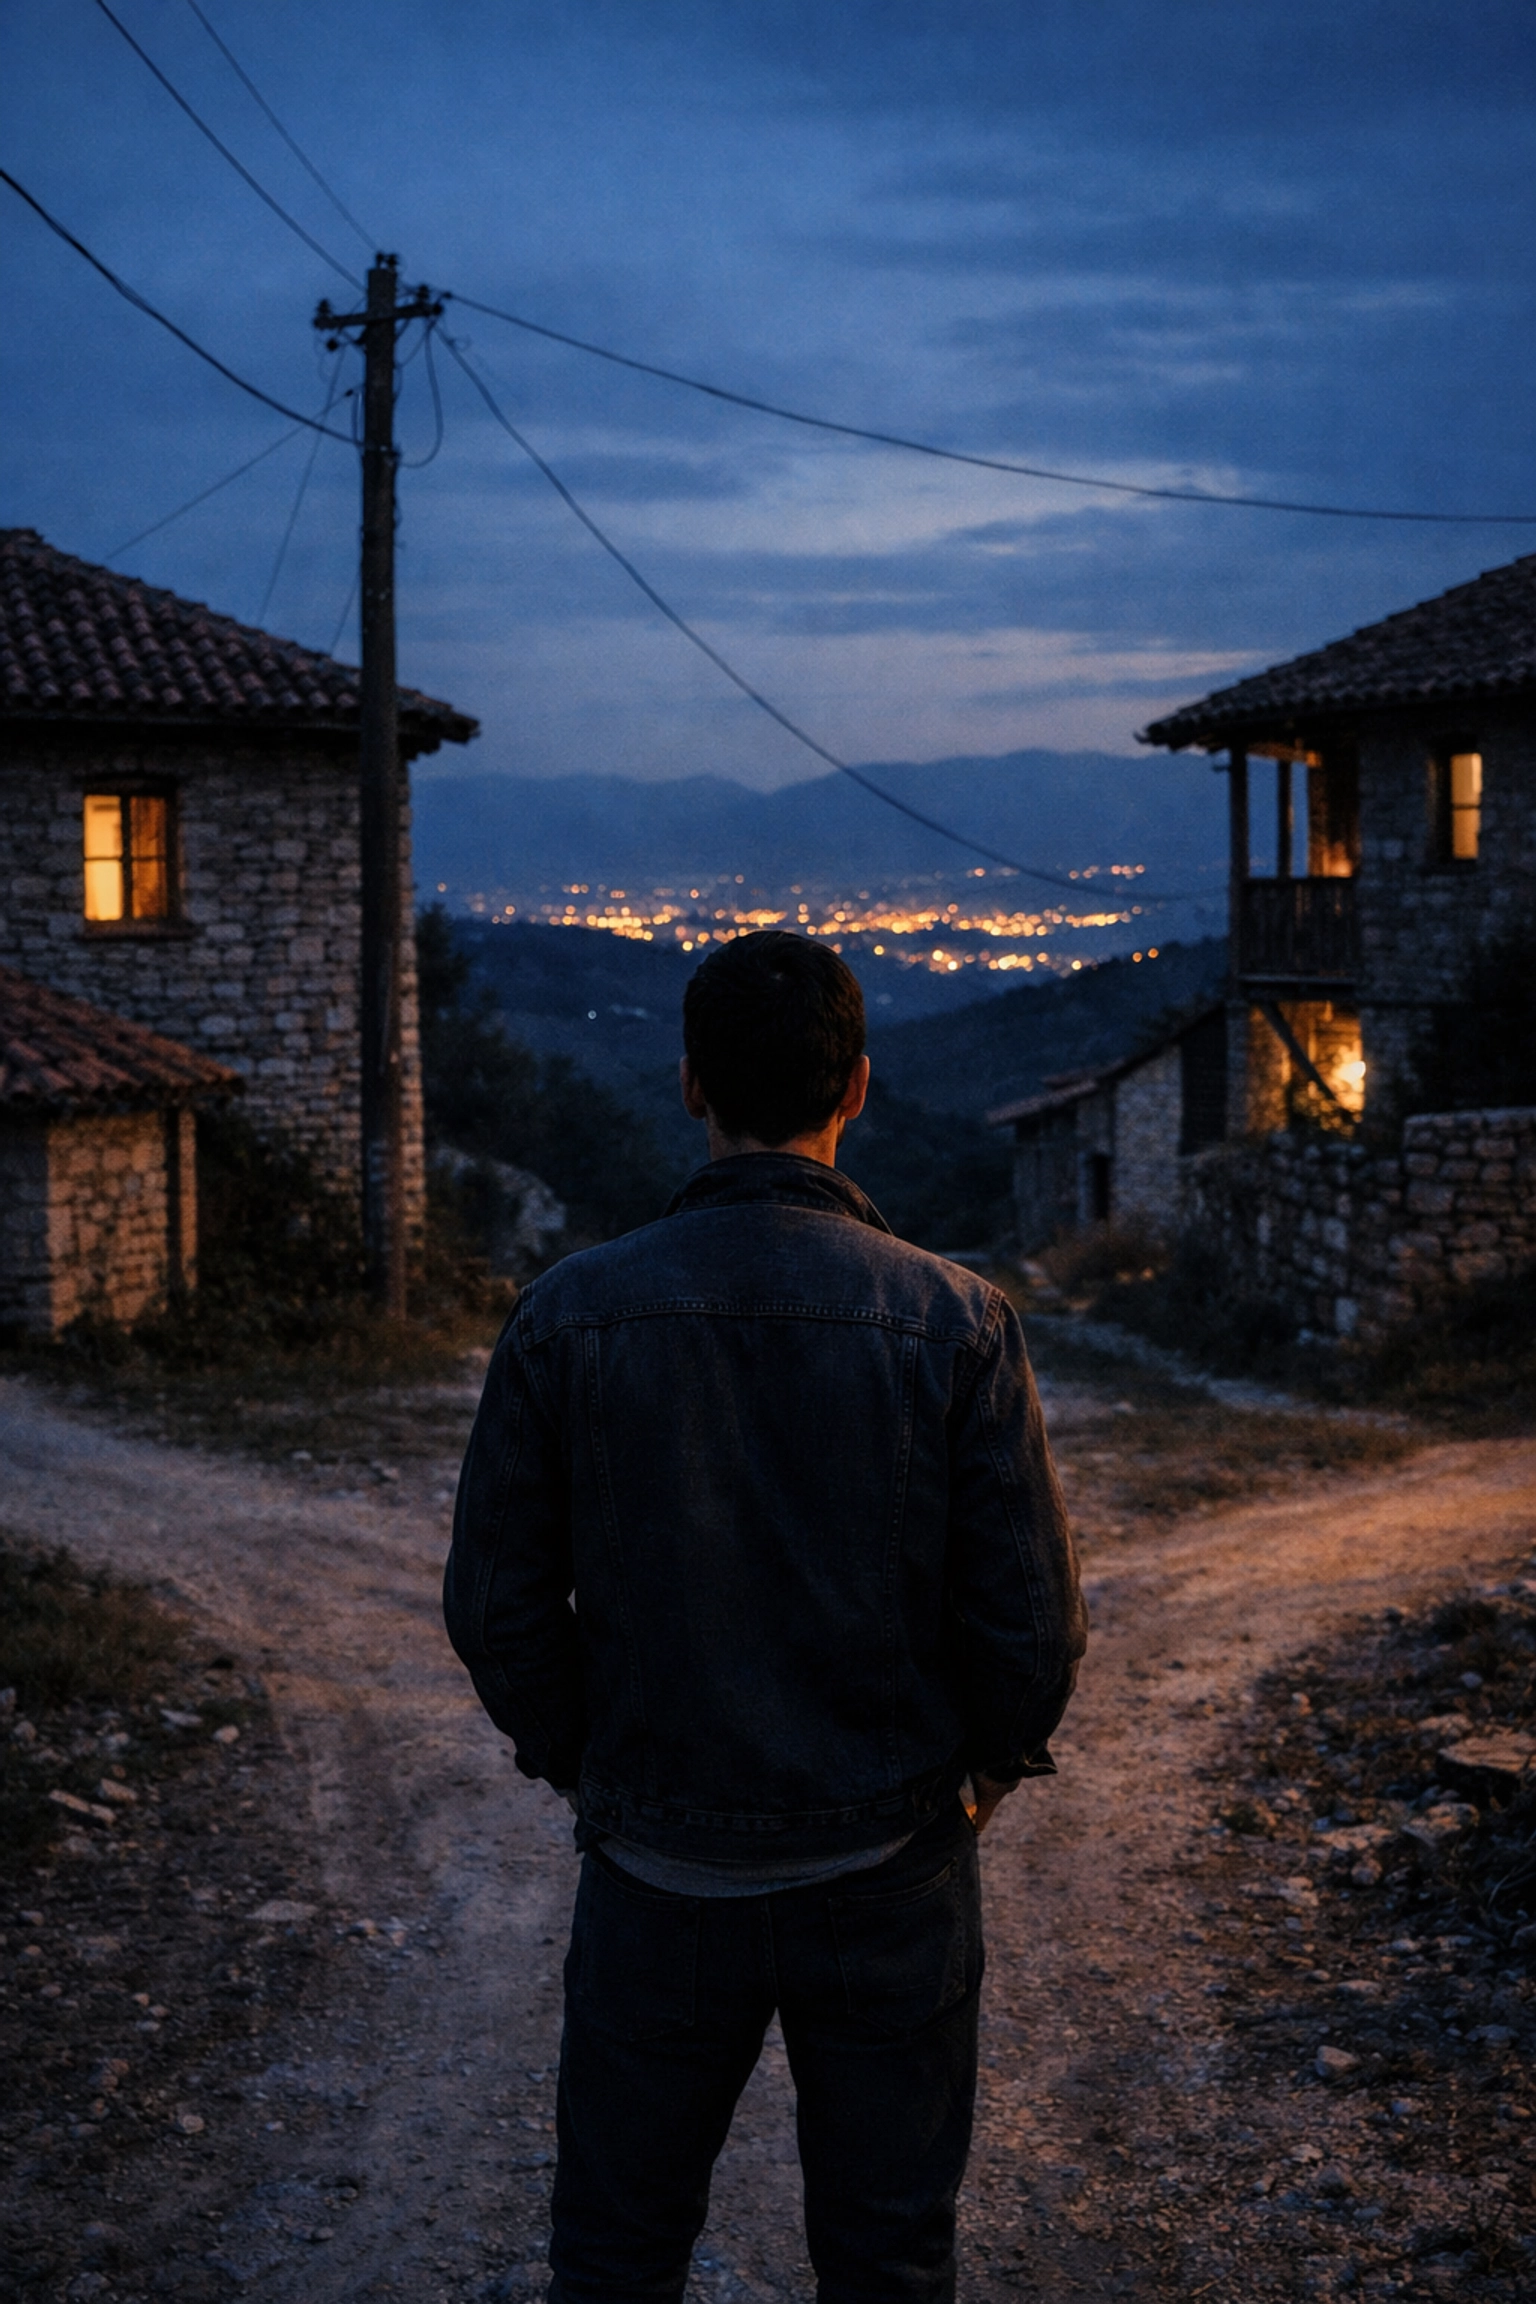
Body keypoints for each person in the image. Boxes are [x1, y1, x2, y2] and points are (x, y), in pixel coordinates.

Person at [444, 929, 1086, 2304]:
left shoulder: (567, 1316)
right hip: (894, 1872)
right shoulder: (961, 1323)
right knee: (889, 2259)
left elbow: (497, 1609)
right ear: (857, 1085)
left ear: (688, 1084)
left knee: (616, 2257)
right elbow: (1032, 1632)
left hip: (657, 1876)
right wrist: (969, 1781)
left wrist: (592, 1760)